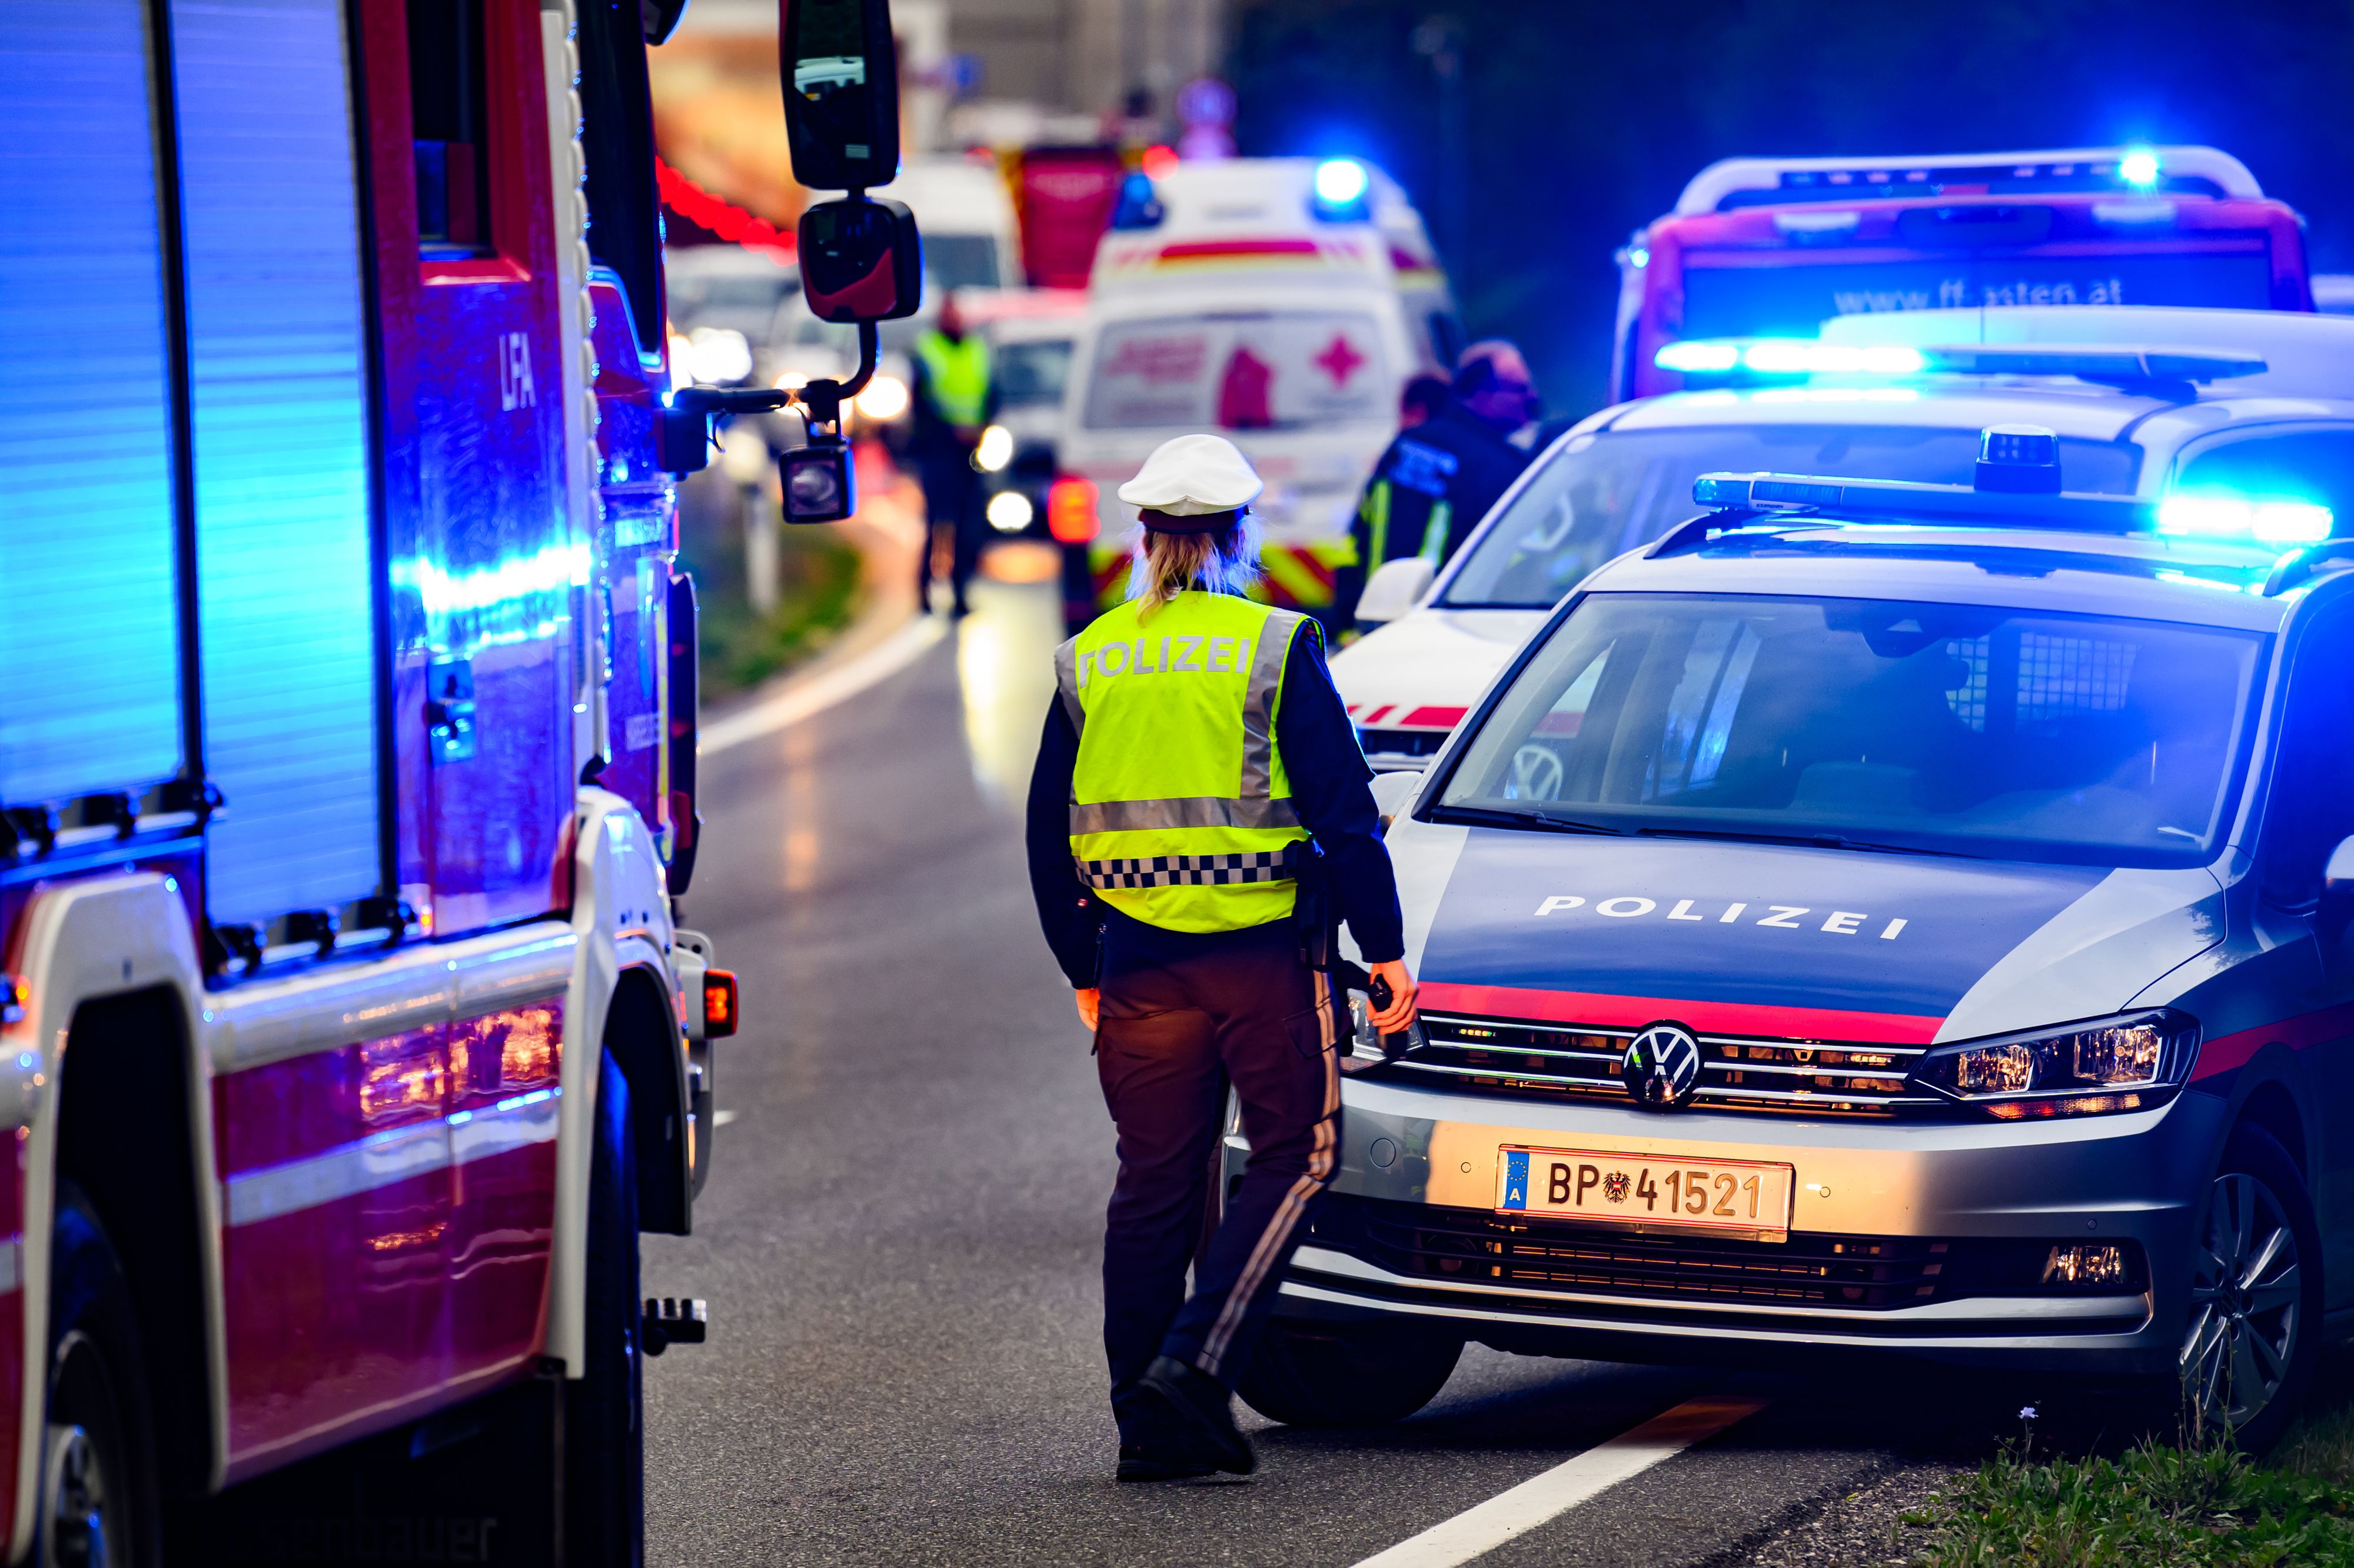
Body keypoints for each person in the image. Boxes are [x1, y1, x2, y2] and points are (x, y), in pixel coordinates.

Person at [1026, 433, 1419, 1482]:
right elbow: (1345, 816)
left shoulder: (1090, 655)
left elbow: (1045, 828)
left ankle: (1144, 1425)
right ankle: (1196, 1366)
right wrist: (1384, 951)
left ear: (1144, 534)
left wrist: (1084, 963)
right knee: (1298, 1158)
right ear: (1242, 535)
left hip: (1140, 965)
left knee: (1156, 1180)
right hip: (1262, 963)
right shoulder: (1276, 644)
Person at [1332, 341, 1538, 627]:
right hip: (1443, 626)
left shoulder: (1410, 443)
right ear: (1483, 392)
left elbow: (1360, 532)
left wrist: (1347, 615)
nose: (1531, 397)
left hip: (1369, 616)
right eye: (1519, 388)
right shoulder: (1500, 466)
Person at [907, 293, 996, 616]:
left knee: (966, 526)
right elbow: (921, 404)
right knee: (935, 525)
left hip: (970, 453)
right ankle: (925, 594)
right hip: (938, 451)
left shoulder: (978, 350)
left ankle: (959, 594)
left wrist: (983, 427)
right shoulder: (927, 350)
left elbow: (990, 394)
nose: (955, 320)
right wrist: (951, 431)